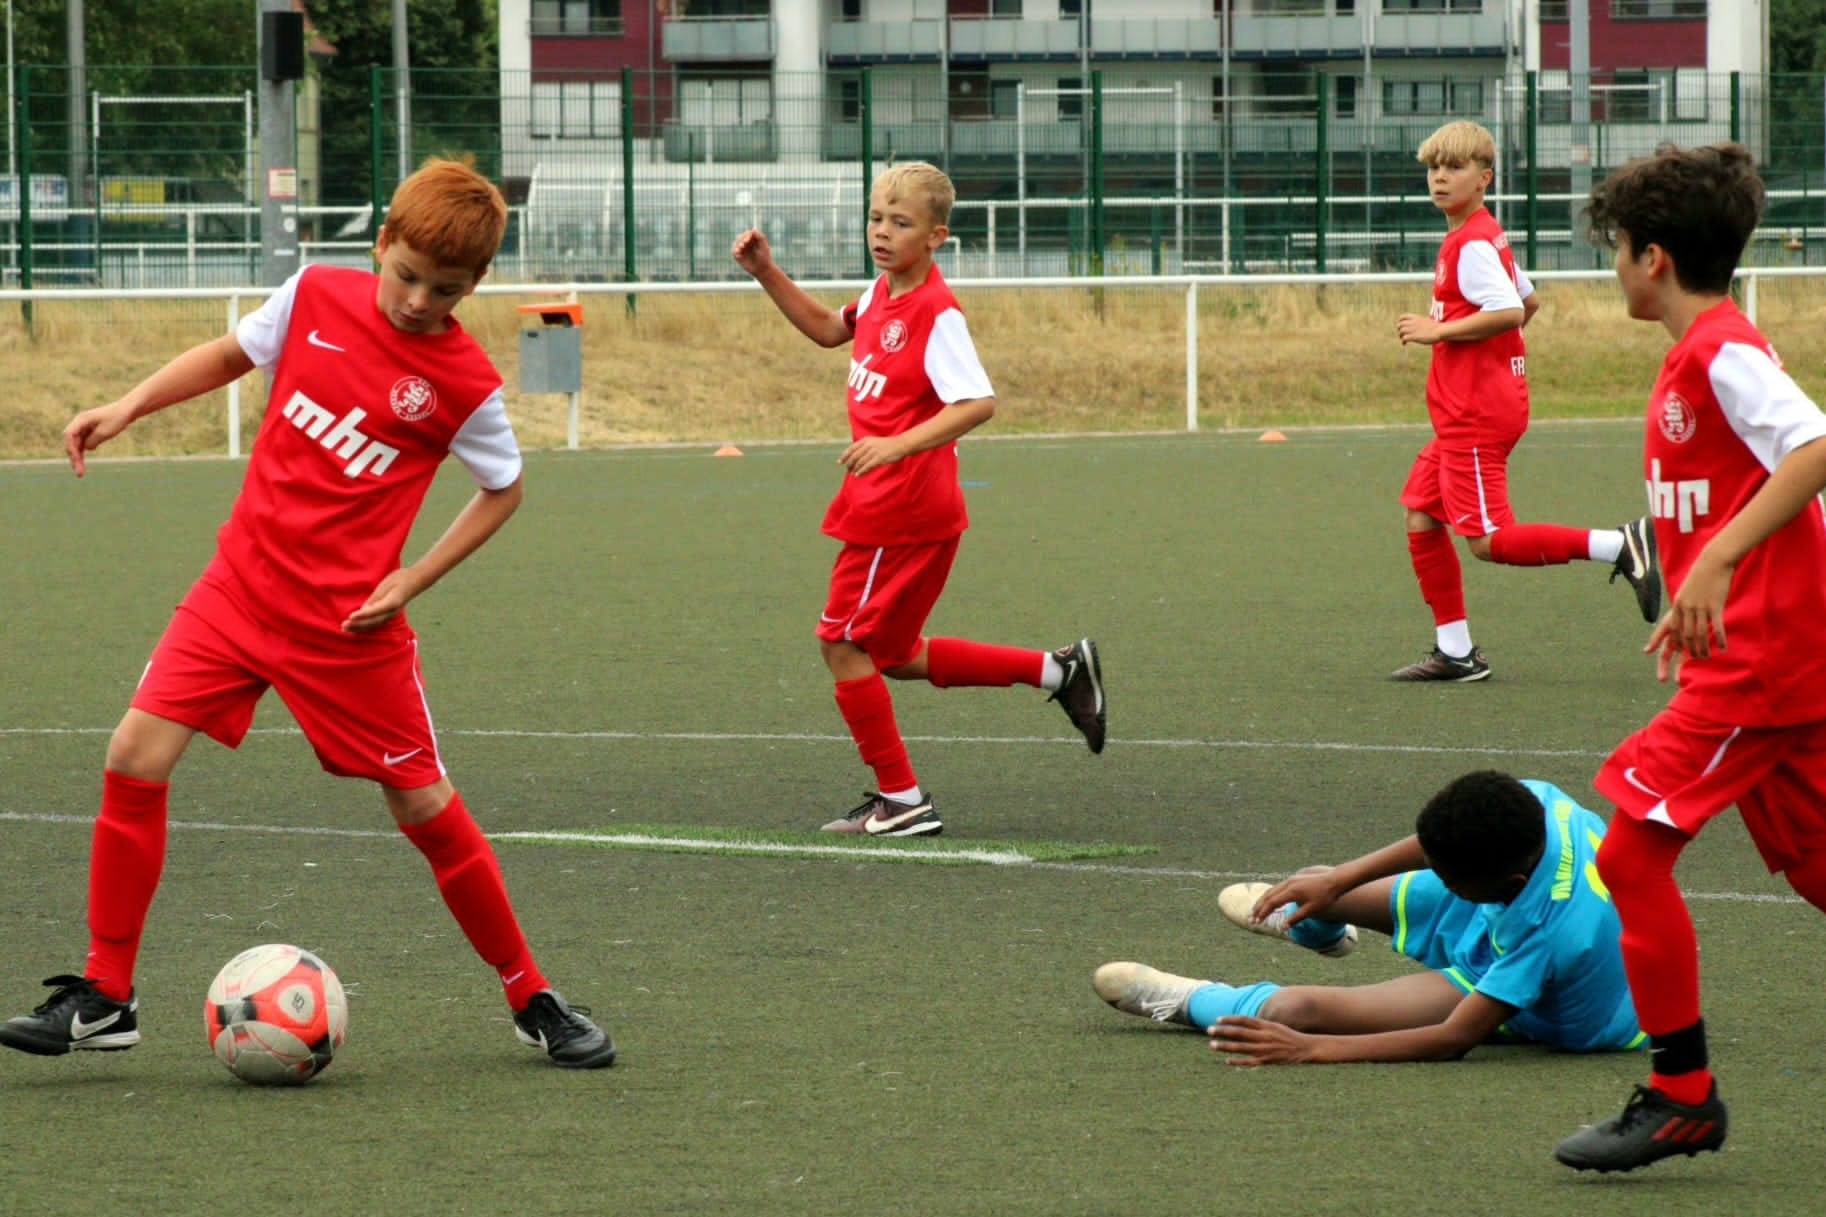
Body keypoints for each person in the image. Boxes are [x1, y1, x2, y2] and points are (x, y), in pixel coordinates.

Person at [0, 158, 615, 1070]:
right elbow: (231, 354)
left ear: (476, 284)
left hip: (348, 630)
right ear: (380, 245)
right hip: (239, 590)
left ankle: (532, 995)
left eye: (445, 290)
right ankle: (105, 994)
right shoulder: (314, 295)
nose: (418, 301)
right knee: (133, 753)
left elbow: (503, 488)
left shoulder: (464, 383)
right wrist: (129, 404)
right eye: (406, 275)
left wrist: (411, 579)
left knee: (426, 805)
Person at [1548, 142, 1826, 1172]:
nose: (1614, 267)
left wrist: (1714, 562)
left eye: (1616, 249)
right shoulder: (1703, 353)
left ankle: (1681, 1096)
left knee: (1628, 855)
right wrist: (1698, 584)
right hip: (1771, 656)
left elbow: (1814, 445)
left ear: (1651, 257)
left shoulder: (1719, 351)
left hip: (1762, 667)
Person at [731, 161, 1105, 837]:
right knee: (896, 654)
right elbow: (828, 328)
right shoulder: (881, 292)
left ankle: (902, 800)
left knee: (842, 645)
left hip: (897, 508)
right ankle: (1059, 670)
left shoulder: (936, 312)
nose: (882, 232)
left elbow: (978, 402)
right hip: (901, 506)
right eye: (876, 217)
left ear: (936, 237)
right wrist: (766, 272)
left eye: (901, 223)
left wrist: (896, 446)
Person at [1093, 771, 1643, 1065]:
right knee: (1316, 881)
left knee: (1293, 1012)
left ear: (1508, 884)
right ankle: (1319, 929)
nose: (1438, 878)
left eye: (1448, 878)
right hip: (1509, 915)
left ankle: (1189, 1000)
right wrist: (1341, 879)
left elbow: (1451, 1040)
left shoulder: (1550, 935)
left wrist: (1311, 1049)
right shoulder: (1531, 805)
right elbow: (1436, 848)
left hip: (1542, 1002)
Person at [1391, 119, 1660, 683]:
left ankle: (1620, 543)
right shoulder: (1482, 234)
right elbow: (1528, 301)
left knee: (1487, 541)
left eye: (1455, 167)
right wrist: (1492, 359)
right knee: (1421, 513)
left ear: (1484, 177)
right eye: (1434, 167)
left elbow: (1511, 311)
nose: (1440, 177)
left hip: (1473, 415)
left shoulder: (1470, 244)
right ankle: (1456, 652)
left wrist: (1440, 333)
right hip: (1472, 410)